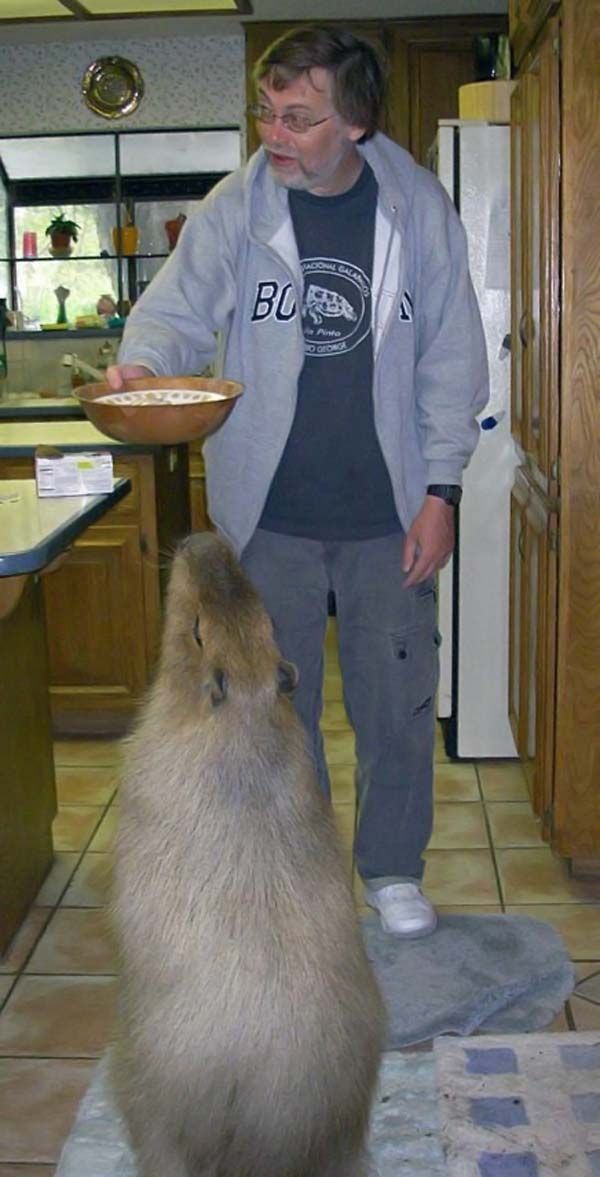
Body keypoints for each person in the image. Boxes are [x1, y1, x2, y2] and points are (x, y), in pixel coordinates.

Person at [109, 24, 488, 938]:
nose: (274, 134)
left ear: (354, 123)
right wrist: (142, 366)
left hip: (386, 513)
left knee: (394, 702)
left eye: (300, 118)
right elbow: (175, 315)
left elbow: (453, 358)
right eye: (267, 113)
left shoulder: (418, 209)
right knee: (273, 711)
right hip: (267, 516)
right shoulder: (235, 209)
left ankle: (392, 869)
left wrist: (442, 492)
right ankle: (299, 874)